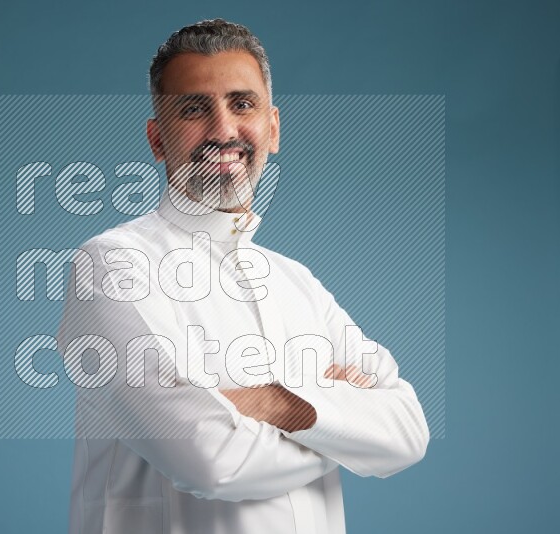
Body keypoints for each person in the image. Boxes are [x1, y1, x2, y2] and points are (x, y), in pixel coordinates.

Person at [58, 18, 429, 534]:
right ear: (157, 138)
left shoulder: (297, 282)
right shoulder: (114, 266)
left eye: (242, 104)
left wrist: (272, 401)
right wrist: (342, 431)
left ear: (273, 128)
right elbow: (212, 460)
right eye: (193, 109)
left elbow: (409, 431)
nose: (223, 130)